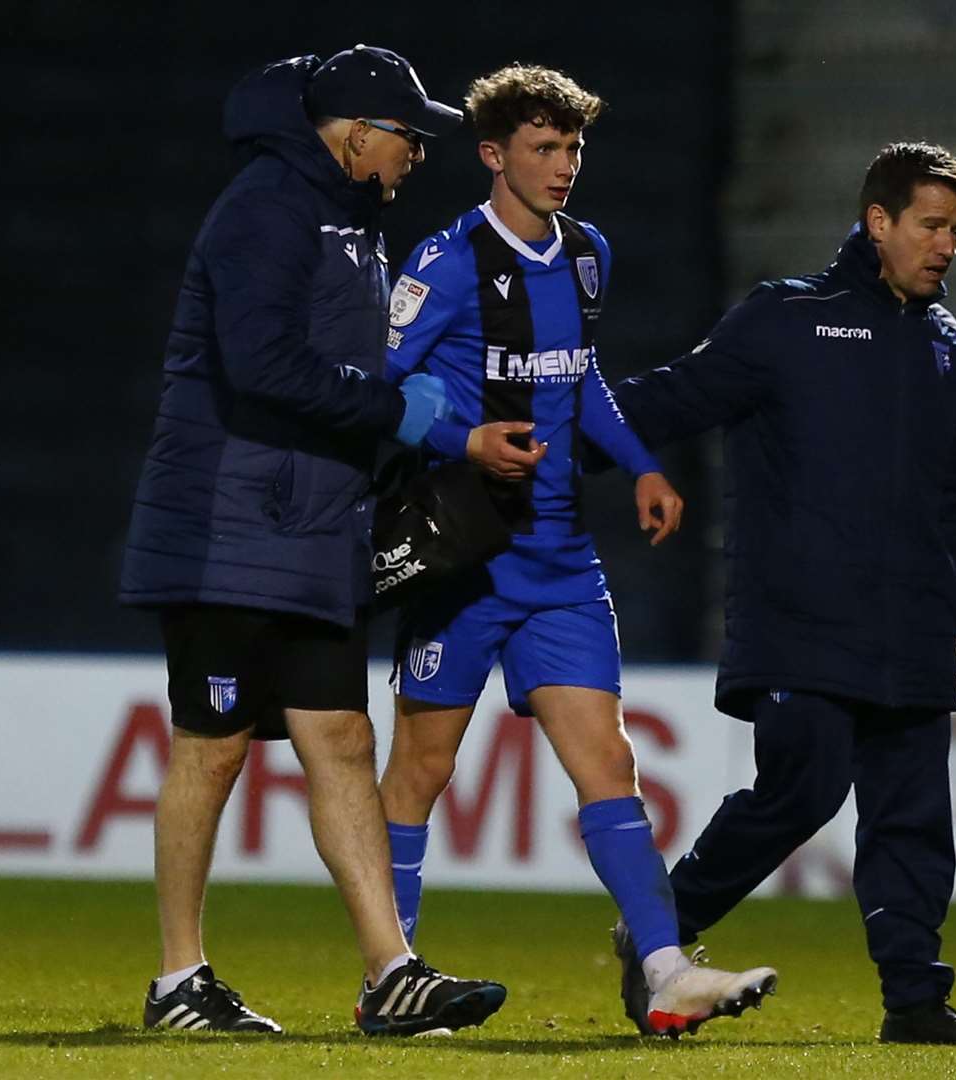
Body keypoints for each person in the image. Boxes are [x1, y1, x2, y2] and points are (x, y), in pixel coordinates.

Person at [119, 45, 541, 1037]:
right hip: (228, 520)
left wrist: (396, 446)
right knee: (212, 748)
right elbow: (262, 365)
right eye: (408, 134)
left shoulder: (348, 220)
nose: (419, 152)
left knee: (344, 740)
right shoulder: (265, 207)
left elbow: (326, 374)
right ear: (354, 134)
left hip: (310, 526)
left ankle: (392, 974)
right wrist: (402, 414)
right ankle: (178, 981)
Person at [374, 63, 778, 1038]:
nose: (564, 167)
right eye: (545, 148)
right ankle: (389, 974)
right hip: (465, 559)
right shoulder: (443, 262)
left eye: (574, 148)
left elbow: (580, 376)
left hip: (559, 562)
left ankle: (666, 968)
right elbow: (377, 389)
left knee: (608, 759)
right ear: (493, 153)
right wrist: (458, 440)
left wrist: (642, 463)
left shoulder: (587, 254)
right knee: (421, 770)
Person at [602, 142, 956, 1046]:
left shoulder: (950, 348)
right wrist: (551, 425)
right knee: (805, 788)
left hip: (910, 621)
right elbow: (672, 397)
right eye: (930, 225)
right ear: (878, 223)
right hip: (800, 615)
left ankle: (913, 1002)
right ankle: (659, 932)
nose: (946, 244)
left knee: (912, 816)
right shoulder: (789, 318)